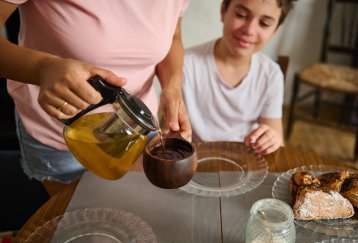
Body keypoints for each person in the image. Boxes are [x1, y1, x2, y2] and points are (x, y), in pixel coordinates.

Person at [0, 1, 192, 196]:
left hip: (137, 127)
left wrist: (172, 86)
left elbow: (173, 36)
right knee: (74, 215)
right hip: (60, 132)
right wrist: (43, 68)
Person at [182, 0, 295, 155]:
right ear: (223, 11)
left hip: (247, 160)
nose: (249, 30)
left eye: (264, 23)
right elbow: (169, 129)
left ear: (275, 31)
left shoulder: (271, 74)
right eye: (241, 15)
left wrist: (271, 139)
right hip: (195, 159)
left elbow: (277, 139)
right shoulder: (185, 64)